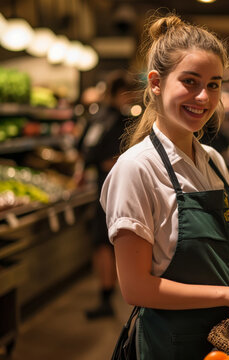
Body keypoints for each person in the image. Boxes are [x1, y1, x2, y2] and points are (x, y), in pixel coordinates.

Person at [100, 14, 229, 359]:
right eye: (190, 81)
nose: (203, 97)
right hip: (171, 345)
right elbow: (136, 289)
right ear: (156, 82)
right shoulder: (137, 169)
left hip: (225, 341)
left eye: (214, 84)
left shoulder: (213, 160)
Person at [77, 70, 137, 319]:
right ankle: (110, 295)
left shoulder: (98, 118)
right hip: (112, 188)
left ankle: (111, 294)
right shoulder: (119, 121)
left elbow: (83, 149)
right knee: (108, 243)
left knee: (105, 243)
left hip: (105, 186)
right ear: (119, 93)